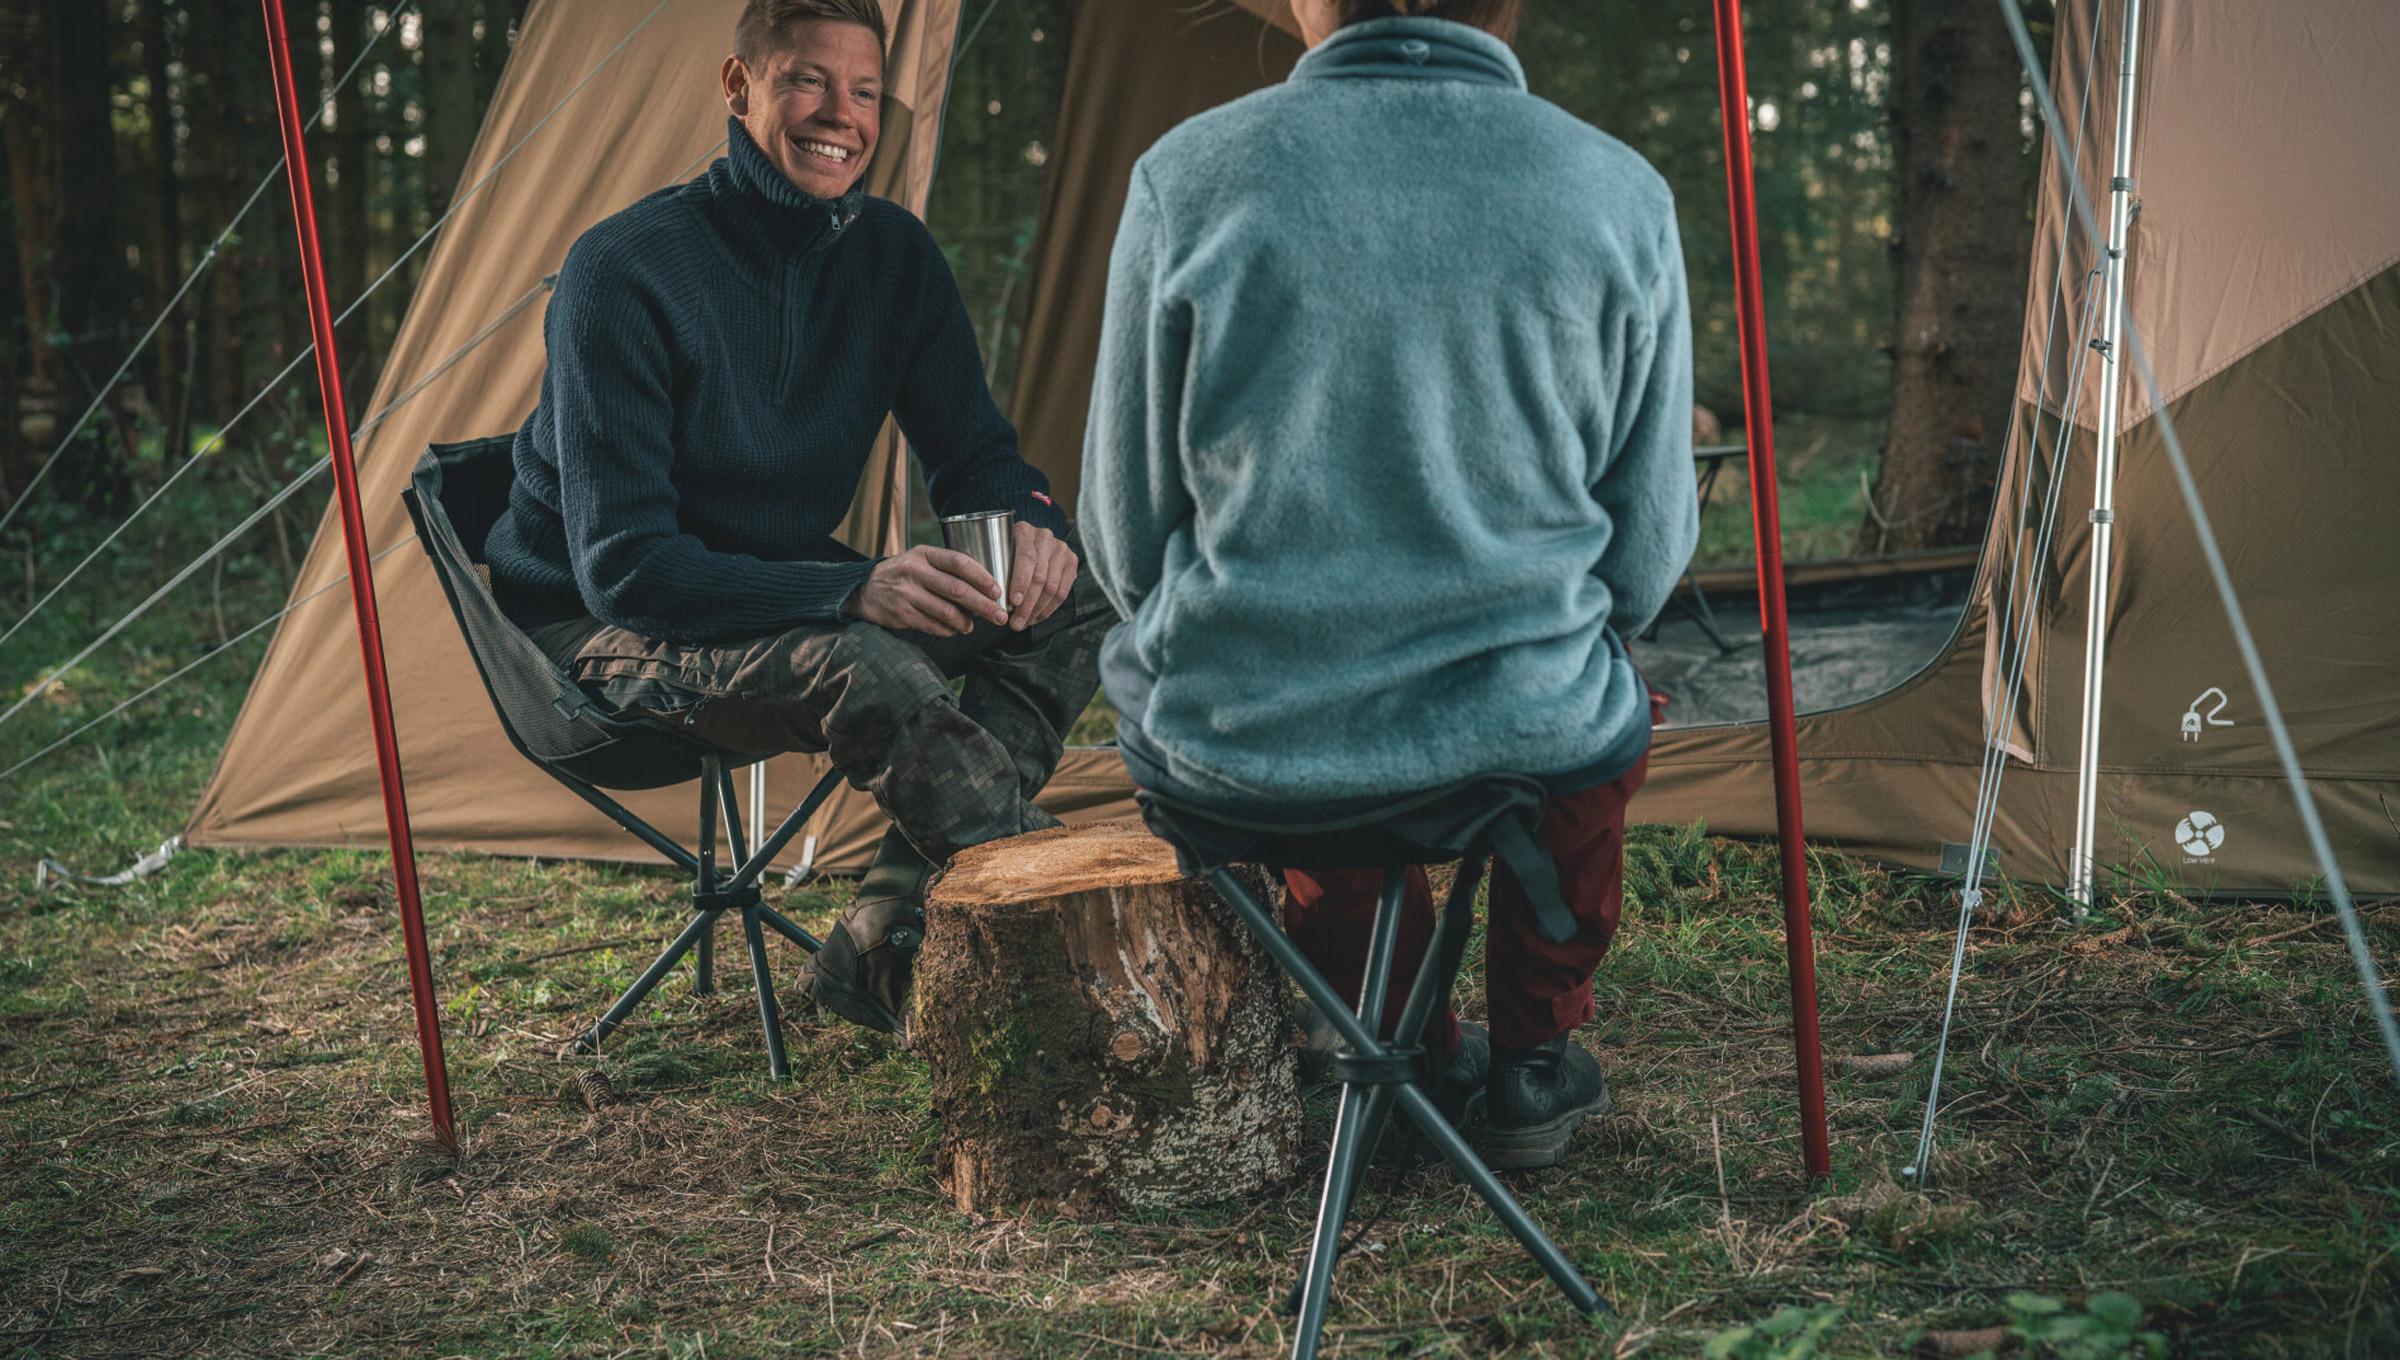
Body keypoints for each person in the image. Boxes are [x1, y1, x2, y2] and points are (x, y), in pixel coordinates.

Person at [1079, 0, 1698, 1169]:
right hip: (1524, 730)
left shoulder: (1188, 176)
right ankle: (1530, 1061)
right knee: (1597, 715)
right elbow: (1646, 558)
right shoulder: (1617, 191)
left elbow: (1120, 534)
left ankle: (1390, 1033)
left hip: (1247, 744)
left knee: (1300, 744)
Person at [485, 0, 1114, 1036]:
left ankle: (884, 928)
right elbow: (626, 566)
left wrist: (1026, 525)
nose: (842, 115)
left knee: (1078, 594)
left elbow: (979, 457)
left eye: (865, 90)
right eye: (807, 81)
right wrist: (851, 585)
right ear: (740, 88)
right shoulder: (624, 270)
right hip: (603, 629)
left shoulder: (894, 260)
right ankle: (1066, 926)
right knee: (866, 662)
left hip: (779, 587)